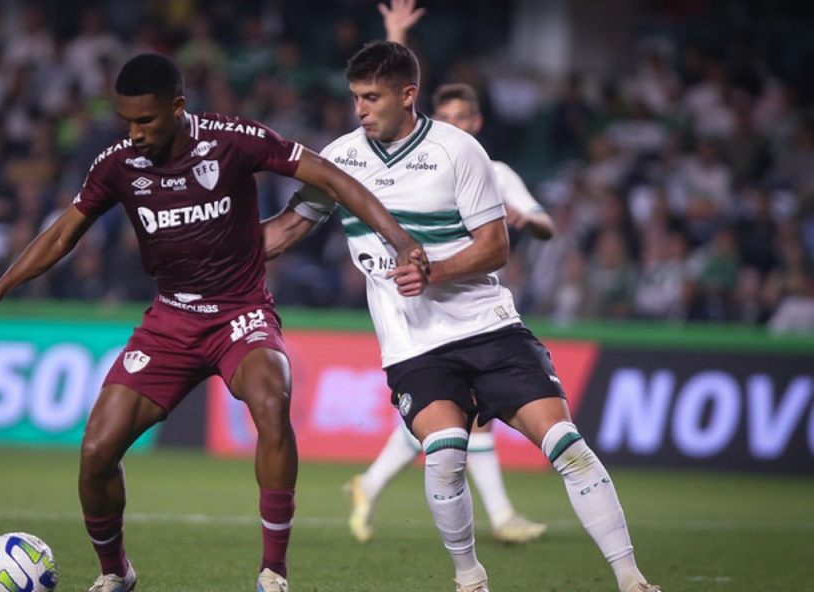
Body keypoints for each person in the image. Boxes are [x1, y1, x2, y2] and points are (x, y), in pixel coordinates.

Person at [0, 53, 427, 592]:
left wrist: (401, 240)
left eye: (146, 121)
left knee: (272, 404)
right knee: (96, 452)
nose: (134, 133)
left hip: (241, 312)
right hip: (170, 320)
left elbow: (333, 178)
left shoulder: (233, 139)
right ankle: (116, 573)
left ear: (177, 108)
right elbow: (64, 233)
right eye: (127, 121)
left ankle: (273, 570)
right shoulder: (117, 165)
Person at [263, 39, 660, 592]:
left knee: (568, 446)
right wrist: (203, 252)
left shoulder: (458, 151)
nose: (360, 109)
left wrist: (434, 273)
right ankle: (469, 580)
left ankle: (631, 579)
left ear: (408, 95)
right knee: (445, 454)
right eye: (355, 97)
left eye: (372, 97)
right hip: (413, 346)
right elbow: (285, 230)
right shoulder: (340, 159)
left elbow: (496, 247)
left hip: (488, 327)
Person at [342, 0, 556, 547]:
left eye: (464, 115)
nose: (455, 122)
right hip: (429, 319)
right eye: (449, 114)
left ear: (478, 120)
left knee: (455, 429)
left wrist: (527, 220)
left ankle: (371, 483)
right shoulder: (428, 154)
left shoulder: (492, 167)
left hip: (481, 308)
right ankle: (498, 517)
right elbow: (392, 84)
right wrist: (396, 34)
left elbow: (541, 224)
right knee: (456, 426)